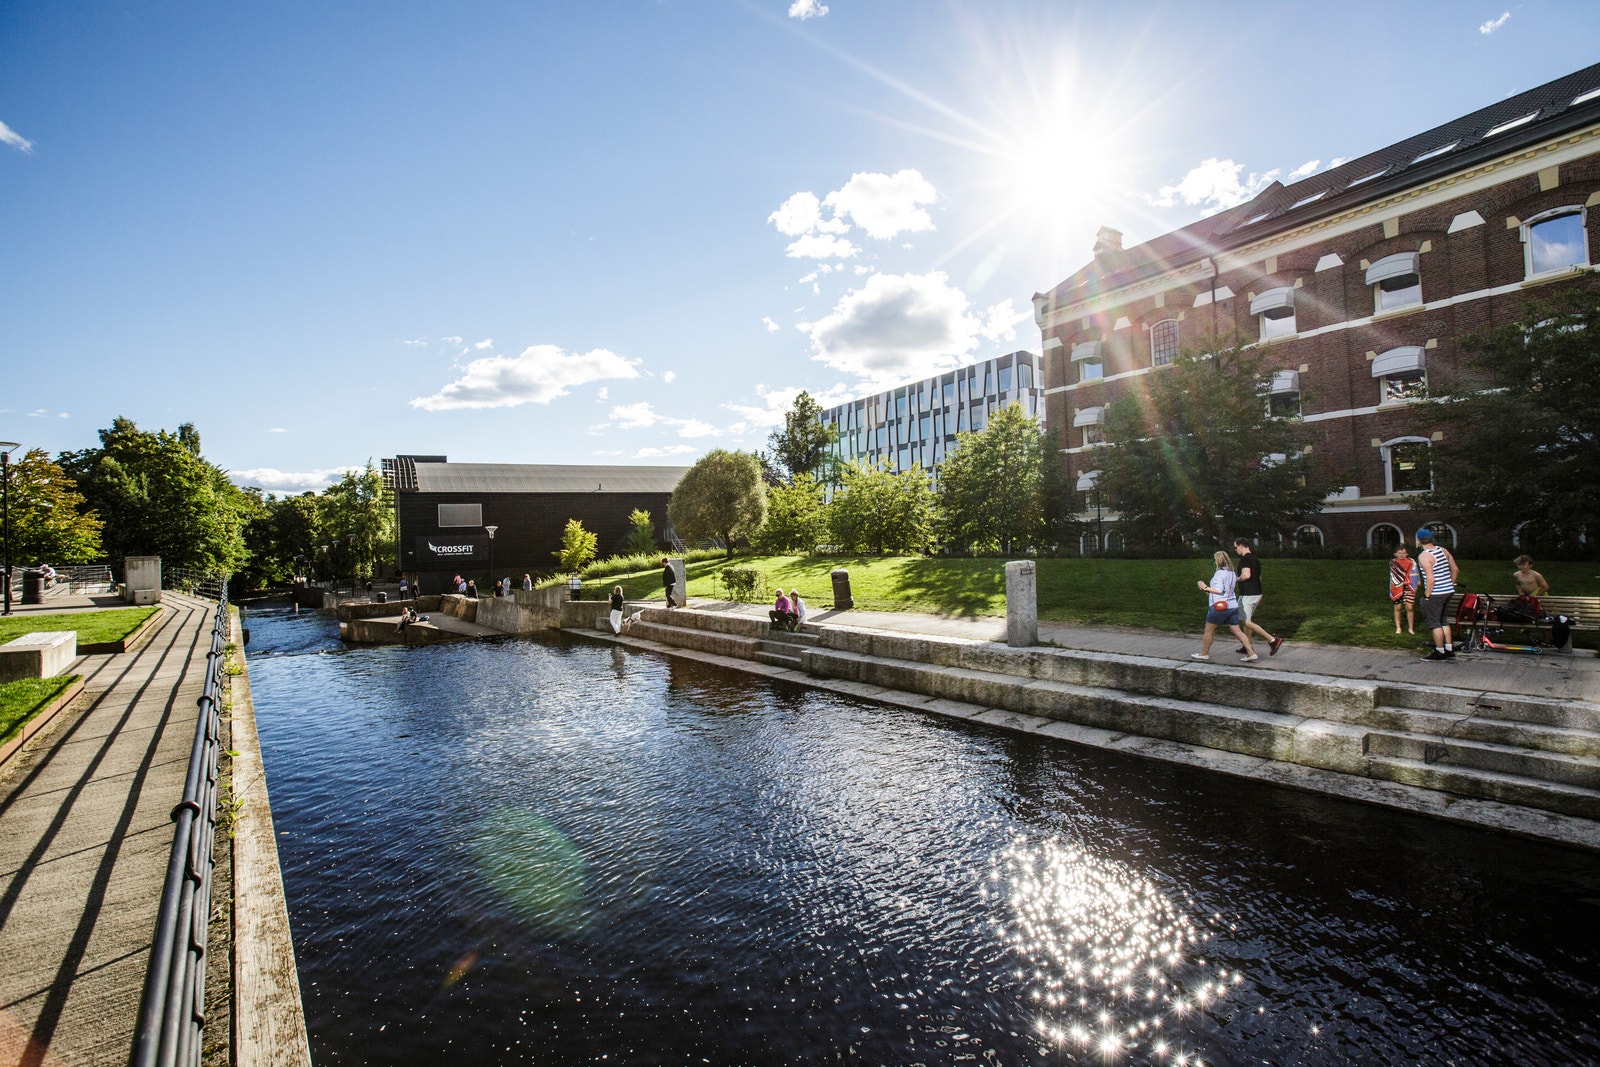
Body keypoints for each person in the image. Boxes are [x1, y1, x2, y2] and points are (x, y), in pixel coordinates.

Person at [1192, 551, 1257, 662]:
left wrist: (1204, 587)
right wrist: (1209, 592)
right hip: (1232, 605)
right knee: (1237, 631)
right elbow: (1226, 590)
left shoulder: (1219, 574)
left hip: (1219, 607)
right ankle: (1251, 653)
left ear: (1218, 561)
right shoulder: (1232, 573)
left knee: (1209, 631)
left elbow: (1219, 590)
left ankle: (1204, 653)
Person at [1232, 538, 1284, 656]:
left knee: (1245, 621)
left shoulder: (1244, 559)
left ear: (1241, 546)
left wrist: (1235, 579)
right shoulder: (1255, 559)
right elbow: (1259, 578)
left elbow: (1246, 575)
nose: (1235, 550)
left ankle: (1273, 640)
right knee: (1248, 621)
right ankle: (1247, 646)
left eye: (1236, 547)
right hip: (1257, 593)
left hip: (1248, 594)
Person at [1416, 527, 1459, 660]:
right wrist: (1450, 583)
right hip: (1448, 591)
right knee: (1443, 621)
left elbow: (1430, 579)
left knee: (1435, 623)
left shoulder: (1424, 556)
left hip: (1436, 593)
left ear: (1419, 541)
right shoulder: (1443, 550)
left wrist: (1427, 595)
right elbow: (1455, 569)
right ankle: (1449, 649)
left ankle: (1439, 651)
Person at [1389, 545, 1416, 635]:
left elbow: (1414, 574)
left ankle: (1411, 628)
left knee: (1410, 607)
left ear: (1407, 554)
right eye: (1399, 553)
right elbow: (1395, 576)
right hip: (1397, 587)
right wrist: (1401, 581)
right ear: (1395, 554)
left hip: (1409, 586)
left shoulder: (1412, 563)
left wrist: (1409, 581)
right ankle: (1398, 627)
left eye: (1404, 553)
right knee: (1398, 607)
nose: (1401, 555)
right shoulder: (1393, 563)